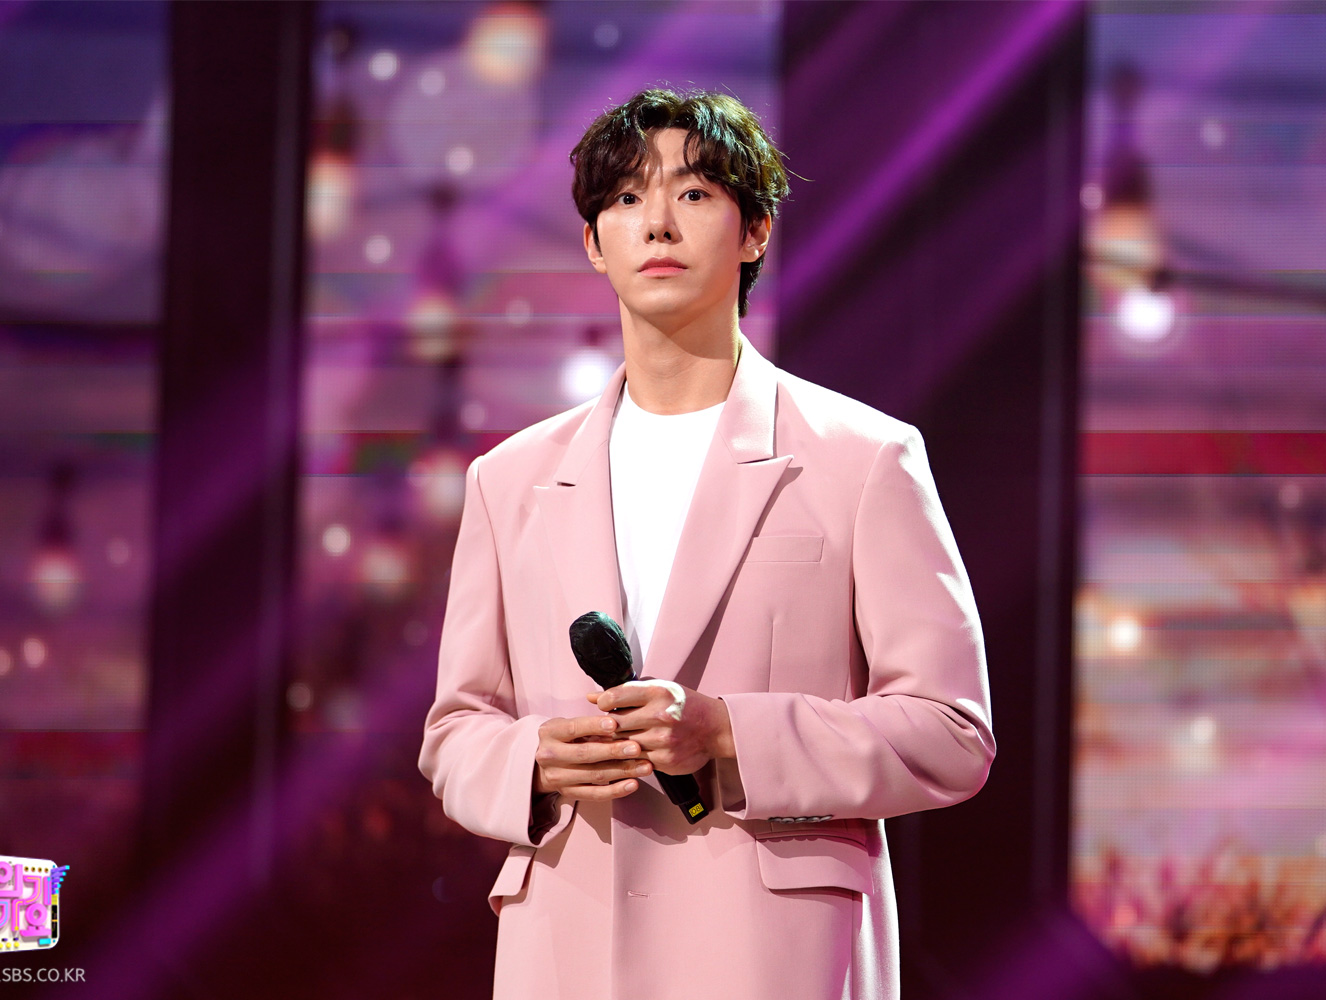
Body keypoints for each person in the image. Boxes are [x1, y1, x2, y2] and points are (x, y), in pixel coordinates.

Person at [418, 88, 994, 1000]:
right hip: (568, 950)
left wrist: (728, 733)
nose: (656, 223)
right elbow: (455, 731)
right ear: (593, 242)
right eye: (625, 199)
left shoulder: (863, 457)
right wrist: (533, 761)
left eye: (692, 194)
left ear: (755, 231)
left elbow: (950, 733)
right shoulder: (509, 478)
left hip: (775, 955)